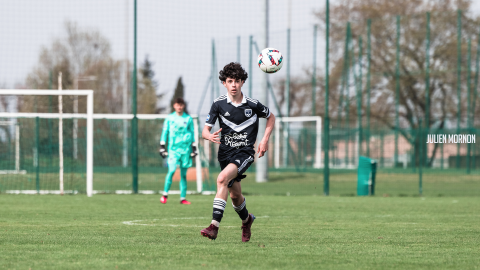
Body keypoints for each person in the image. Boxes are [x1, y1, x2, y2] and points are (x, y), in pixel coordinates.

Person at [200, 62, 275, 242]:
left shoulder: (252, 104)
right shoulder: (218, 104)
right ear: (224, 83)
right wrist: (208, 136)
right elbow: (204, 130)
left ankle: (214, 227)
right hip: (225, 154)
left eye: (237, 81)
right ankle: (247, 220)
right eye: (230, 81)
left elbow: (271, 117)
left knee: (221, 179)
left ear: (242, 82)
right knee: (235, 195)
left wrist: (264, 140)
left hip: (245, 153)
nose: (233, 85)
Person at [159, 97, 197, 205]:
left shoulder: (188, 119)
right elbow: (165, 132)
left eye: (181, 105)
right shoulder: (170, 118)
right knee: (171, 171)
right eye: (177, 105)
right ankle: (165, 194)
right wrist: (162, 146)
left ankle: (183, 198)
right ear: (174, 106)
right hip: (173, 150)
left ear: (183, 106)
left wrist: (194, 147)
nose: (179, 107)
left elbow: (192, 133)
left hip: (185, 150)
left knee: (184, 175)